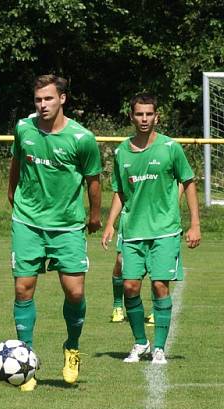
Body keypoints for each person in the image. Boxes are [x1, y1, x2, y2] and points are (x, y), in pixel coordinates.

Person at [8, 75, 102, 392]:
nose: (42, 105)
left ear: (62, 98)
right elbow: (16, 164)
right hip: (28, 222)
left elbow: (93, 180)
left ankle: (72, 347)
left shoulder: (82, 138)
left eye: (48, 99)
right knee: (24, 288)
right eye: (38, 99)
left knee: (74, 292)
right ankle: (26, 362)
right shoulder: (24, 128)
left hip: (67, 225)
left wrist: (93, 216)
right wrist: (13, 197)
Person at [102, 93, 201, 365]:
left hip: (164, 231)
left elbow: (189, 182)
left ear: (156, 116)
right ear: (131, 116)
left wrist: (194, 224)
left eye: (149, 114)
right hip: (133, 232)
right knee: (130, 286)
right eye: (139, 114)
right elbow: (120, 192)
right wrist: (110, 223)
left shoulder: (170, 148)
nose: (144, 119)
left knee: (160, 286)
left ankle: (159, 348)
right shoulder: (122, 151)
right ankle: (140, 342)